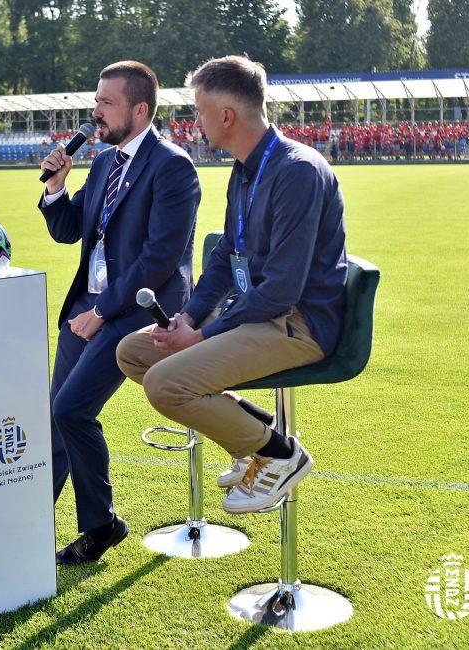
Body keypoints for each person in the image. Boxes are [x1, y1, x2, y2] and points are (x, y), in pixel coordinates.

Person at [116, 55, 347, 515]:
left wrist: (202, 336)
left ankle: (279, 455)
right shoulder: (245, 169)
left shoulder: (297, 171)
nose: (194, 123)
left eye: (199, 112)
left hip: (297, 325)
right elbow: (225, 258)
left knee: (164, 384)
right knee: (135, 352)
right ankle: (257, 434)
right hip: (261, 313)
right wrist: (189, 318)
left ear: (226, 116)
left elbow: (281, 289)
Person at [37, 60, 201, 565]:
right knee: (55, 416)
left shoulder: (172, 166)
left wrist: (103, 311)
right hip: (87, 308)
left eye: (106, 103)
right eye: (96, 101)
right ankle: (28, 521)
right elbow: (70, 230)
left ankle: (101, 526)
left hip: (135, 312)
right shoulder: (104, 163)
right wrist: (55, 188)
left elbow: (158, 260)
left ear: (140, 109)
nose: (96, 112)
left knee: (71, 410)